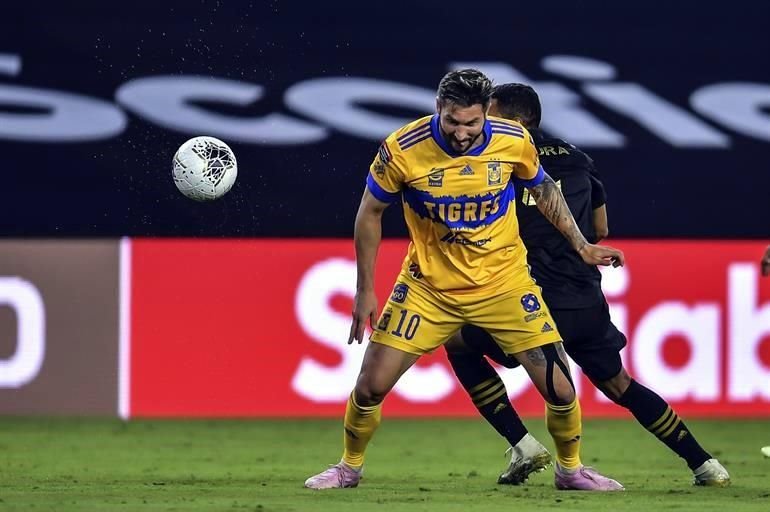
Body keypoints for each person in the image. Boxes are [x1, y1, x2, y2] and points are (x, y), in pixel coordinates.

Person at [304, 69, 625, 491]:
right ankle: (348, 467)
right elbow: (370, 213)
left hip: (504, 284)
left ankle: (571, 470)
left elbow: (544, 189)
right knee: (369, 387)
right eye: (453, 121)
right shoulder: (402, 149)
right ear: (439, 109)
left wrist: (581, 245)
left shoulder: (513, 140)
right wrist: (365, 288)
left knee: (562, 391)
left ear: (485, 116)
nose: (461, 133)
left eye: (472, 123)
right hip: (428, 289)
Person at [444, 83, 730, 488]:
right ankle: (703, 463)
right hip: (584, 298)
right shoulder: (579, 159)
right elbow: (601, 229)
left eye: (488, 117)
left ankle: (523, 443)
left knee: (457, 342)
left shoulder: (498, 163)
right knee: (620, 384)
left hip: (533, 300)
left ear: (514, 120)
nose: (479, 128)